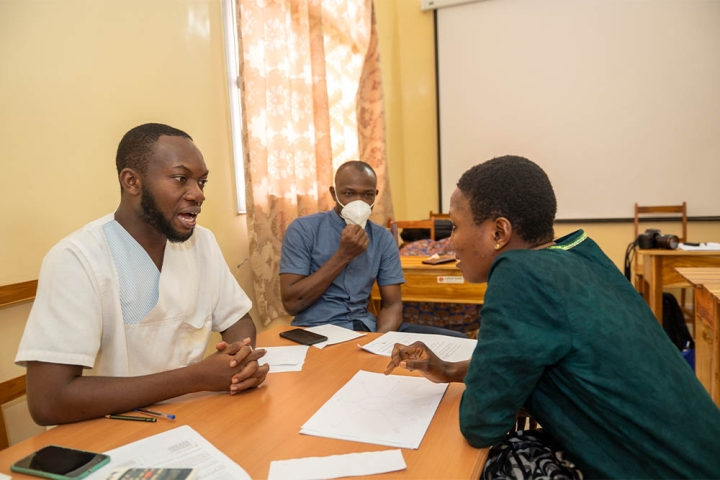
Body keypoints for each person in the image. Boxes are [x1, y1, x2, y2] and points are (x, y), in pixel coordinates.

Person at [385, 156, 720, 479]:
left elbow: (481, 425)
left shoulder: (518, 275)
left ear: (499, 233)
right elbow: (530, 359)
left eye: (455, 227)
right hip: (699, 458)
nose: (448, 242)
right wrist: (449, 370)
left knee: (483, 460)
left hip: (657, 469)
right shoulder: (580, 255)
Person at [15, 123, 269, 426]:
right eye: (180, 179)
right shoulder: (77, 258)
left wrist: (239, 362)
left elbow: (237, 319)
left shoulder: (202, 243)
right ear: (132, 182)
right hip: (105, 432)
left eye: (202, 182)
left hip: (191, 418)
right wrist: (197, 377)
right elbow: (49, 402)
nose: (198, 194)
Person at [280, 161, 465, 337]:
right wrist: (343, 255)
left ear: (375, 195)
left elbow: (392, 305)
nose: (358, 202)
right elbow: (292, 304)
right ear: (334, 193)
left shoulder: (382, 238)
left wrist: (378, 341)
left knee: (459, 342)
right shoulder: (304, 230)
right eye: (349, 194)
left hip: (366, 328)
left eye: (367, 195)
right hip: (317, 330)